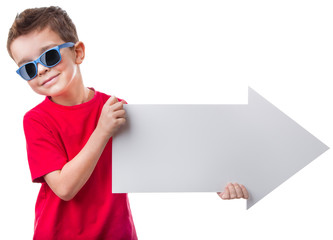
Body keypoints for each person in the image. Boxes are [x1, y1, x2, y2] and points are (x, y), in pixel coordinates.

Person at [7, 6, 249, 240]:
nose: (40, 70)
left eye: (49, 56)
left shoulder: (114, 108)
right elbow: (64, 188)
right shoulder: (37, 120)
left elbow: (157, 161)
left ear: (78, 52)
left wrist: (214, 180)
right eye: (28, 68)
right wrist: (102, 131)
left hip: (117, 234)